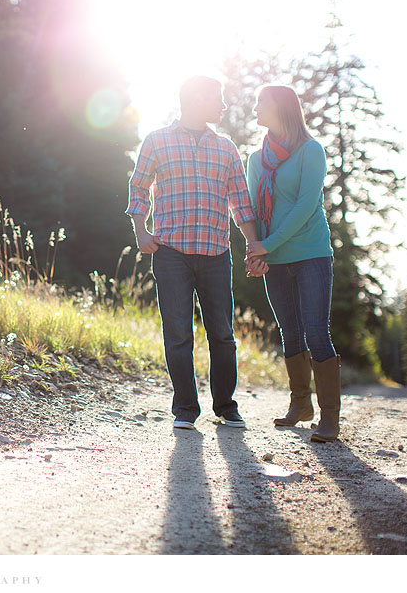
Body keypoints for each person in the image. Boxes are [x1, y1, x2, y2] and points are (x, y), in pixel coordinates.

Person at [126, 75, 268, 430]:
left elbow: (241, 204)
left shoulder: (226, 148)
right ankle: (185, 410)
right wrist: (141, 232)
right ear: (196, 99)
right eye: (216, 98)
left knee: (221, 333)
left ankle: (226, 406)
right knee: (178, 334)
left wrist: (253, 245)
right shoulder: (157, 141)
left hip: (216, 254)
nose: (222, 105)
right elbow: (138, 188)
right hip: (171, 253)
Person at [244, 84, 340, 442]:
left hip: (311, 253)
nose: (255, 107)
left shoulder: (310, 151)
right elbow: (252, 210)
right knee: (290, 332)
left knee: (316, 331)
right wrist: (256, 250)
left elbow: (304, 207)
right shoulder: (256, 159)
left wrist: (266, 245)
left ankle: (330, 416)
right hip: (275, 258)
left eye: (260, 102)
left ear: (281, 107)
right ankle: (300, 404)